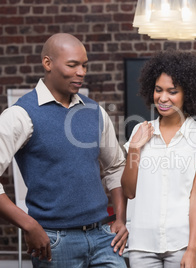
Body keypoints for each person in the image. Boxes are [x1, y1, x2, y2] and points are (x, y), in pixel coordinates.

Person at [0, 33, 128, 267]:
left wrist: (120, 218)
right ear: (47, 63)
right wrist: (29, 225)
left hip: (103, 238)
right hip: (54, 242)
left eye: (84, 65)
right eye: (73, 65)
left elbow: (115, 166)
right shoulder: (20, 115)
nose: (81, 72)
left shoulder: (94, 111)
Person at [121, 49, 196, 268]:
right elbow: (129, 191)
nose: (163, 98)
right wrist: (135, 149)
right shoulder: (140, 131)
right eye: (158, 90)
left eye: (172, 91)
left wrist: (193, 248)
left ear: (188, 93)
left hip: (183, 242)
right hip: (142, 244)